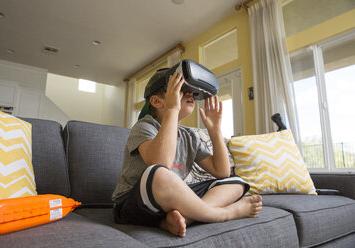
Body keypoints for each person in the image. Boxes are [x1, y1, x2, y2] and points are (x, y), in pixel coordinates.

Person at [112, 69, 262, 237]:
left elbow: (222, 172)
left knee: (235, 182)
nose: (190, 93)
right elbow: (160, 163)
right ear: (156, 101)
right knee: (160, 174)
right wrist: (172, 109)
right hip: (132, 203)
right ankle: (222, 214)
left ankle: (183, 218)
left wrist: (215, 131)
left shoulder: (189, 136)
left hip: (170, 205)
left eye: (191, 90)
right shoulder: (144, 127)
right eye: (180, 89)